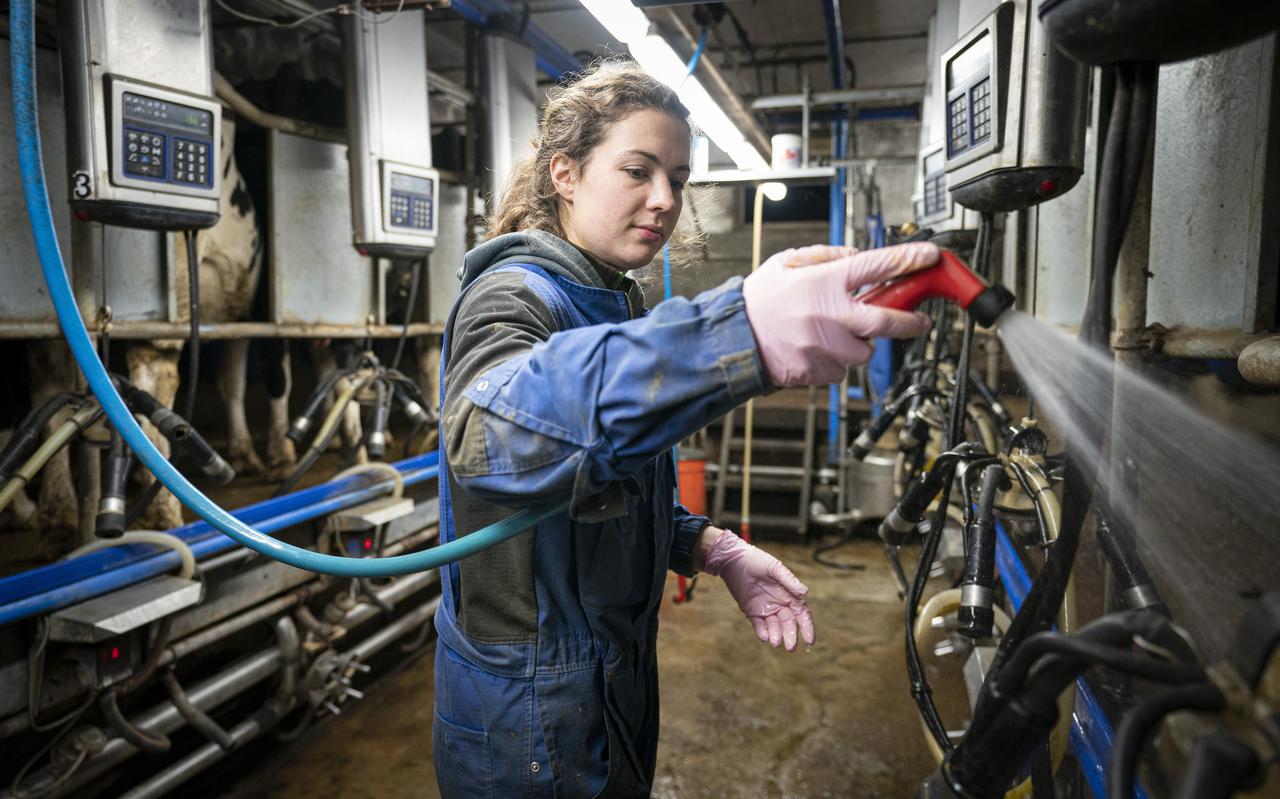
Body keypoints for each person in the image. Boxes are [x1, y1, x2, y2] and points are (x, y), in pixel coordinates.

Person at [432, 60, 937, 798]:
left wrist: (703, 543)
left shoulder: (609, 298)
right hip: (528, 707)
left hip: (609, 672)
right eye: (638, 170)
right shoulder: (512, 296)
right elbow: (485, 437)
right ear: (565, 173)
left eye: (677, 176)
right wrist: (738, 332)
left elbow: (596, 479)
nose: (664, 199)